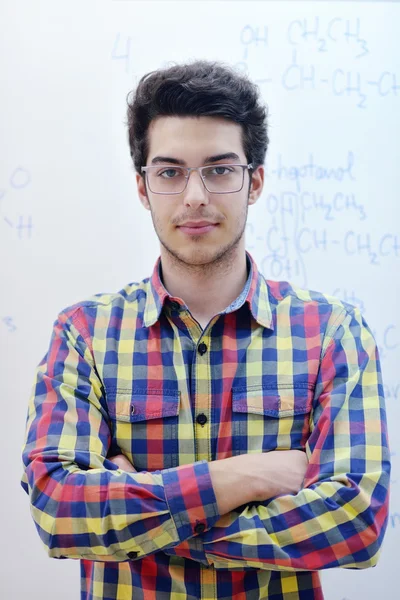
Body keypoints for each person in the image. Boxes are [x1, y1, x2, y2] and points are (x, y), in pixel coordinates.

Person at [21, 59, 390, 600]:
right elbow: (58, 510)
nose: (195, 195)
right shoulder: (84, 333)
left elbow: (357, 524)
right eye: (170, 172)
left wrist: (144, 510)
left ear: (254, 181)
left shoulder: (332, 332)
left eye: (219, 169)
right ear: (144, 188)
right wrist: (244, 478)